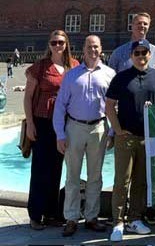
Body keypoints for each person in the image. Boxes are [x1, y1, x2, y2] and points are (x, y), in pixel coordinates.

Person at [105, 39, 155, 242]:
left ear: (150, 55)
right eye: (137, 53)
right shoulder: (121, 77)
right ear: (131, 56)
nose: (141, 56)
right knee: (122, 181)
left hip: (147, 138)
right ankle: (118, 221)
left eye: (144, 53)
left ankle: (134, 218)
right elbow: (109, 106)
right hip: (127, 137)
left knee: (140, 182)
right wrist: (117, 130)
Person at [52, 35, 115, 237]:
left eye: (96, 46)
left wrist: (112, 131)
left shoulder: (109, 74)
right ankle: (71, 218)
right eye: (89, 47)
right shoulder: (71, 75)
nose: (93, 50)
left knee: (95, 176)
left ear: (101, 48)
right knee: (72, 176)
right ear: (84, 48)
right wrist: (60, 134)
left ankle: (91, 217)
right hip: (75, 128)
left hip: (98, 128)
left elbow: (114, 106)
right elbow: (60, 106)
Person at [23, 30, 79, 230]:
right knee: (40, 169)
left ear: (66, 44)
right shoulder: (40, 67)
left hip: (65, 124)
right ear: (49, 45)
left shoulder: (74, 66)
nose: (57, 46)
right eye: (54, 42)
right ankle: (35, 215)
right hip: (43, 122)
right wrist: (30, 123)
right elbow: (28, 97)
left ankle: (51, 213)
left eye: (61, 42)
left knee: (56, 169)